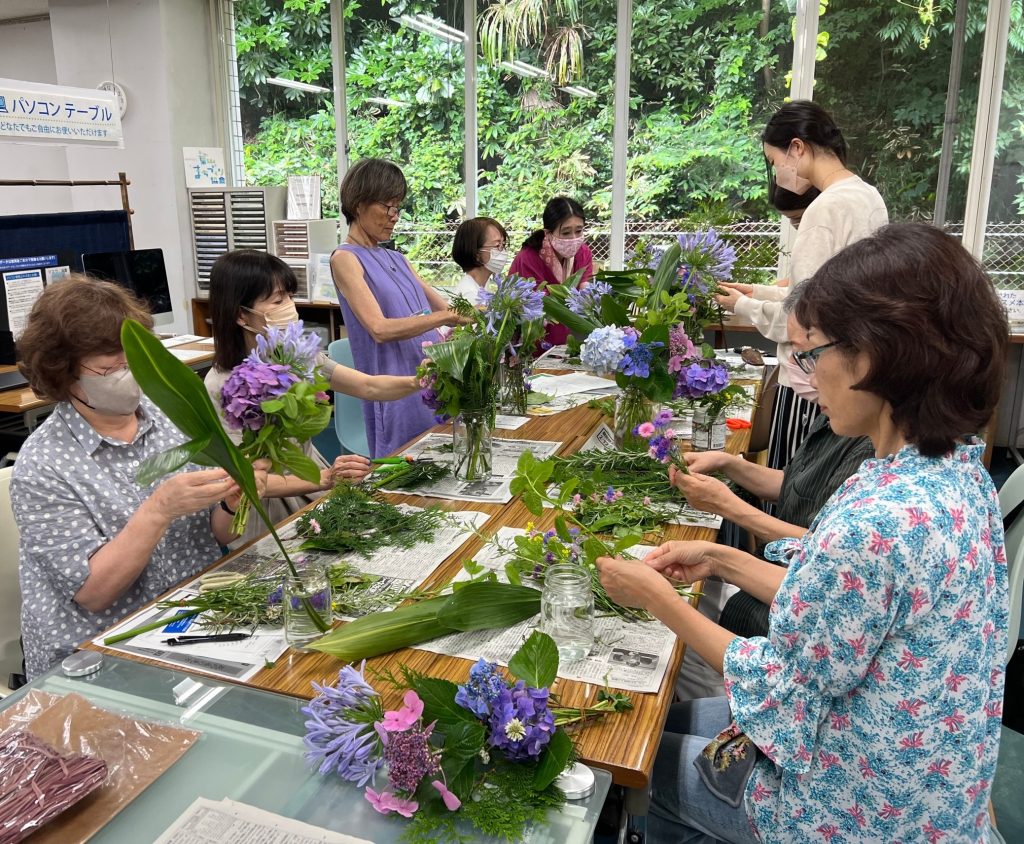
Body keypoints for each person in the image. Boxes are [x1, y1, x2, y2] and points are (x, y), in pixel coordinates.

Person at [596, 223, 1008, 843]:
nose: (809, 379)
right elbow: (839, 605)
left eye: (814, 354)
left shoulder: (876, 521)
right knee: (667, 722)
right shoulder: (951, 471)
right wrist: (720, 559)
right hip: (932, 782)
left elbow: (782, 685)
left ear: (871, 356)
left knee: (635, 758)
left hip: (854, 807)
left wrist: (655, 598)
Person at [11, 278, 268, 680]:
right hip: (99, 652)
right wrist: (159, 509)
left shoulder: (170, 416)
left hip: (190, 625)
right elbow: (95, 593)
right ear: (62, 372)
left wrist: (234, 498)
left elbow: (217, 535)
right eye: (109, 366)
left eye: (135, 359)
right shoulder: (44, 465)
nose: (128, 374)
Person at [715, 101, 888, 473]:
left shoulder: (824, 210)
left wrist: (741, 307)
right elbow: (826, 295)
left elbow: (802, 319)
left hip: (813, 383)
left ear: (796, 148)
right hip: (852, 377)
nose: (777, 173)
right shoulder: (867, 197)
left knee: (793, 487)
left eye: (773, 161)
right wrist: (756, 293)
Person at [206, 250, 421, 543]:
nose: (291, 308)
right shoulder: (223, 384)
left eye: (290, 297)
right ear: (241, 315)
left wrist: (419, 381)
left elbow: (368, 387)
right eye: (278, 300)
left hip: (315, 485)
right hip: (270, 509)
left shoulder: (297, 355)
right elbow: (245, 478)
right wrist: (324, 479)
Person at [330, 158, 468, 457]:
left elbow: (450, 309)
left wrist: (481, 315)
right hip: (395, 388)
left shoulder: (398, 259)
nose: (394, 216)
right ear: (357, 203)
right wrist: (447, 317)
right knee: (409, 474)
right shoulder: (345, 258)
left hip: (431, 380)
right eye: (387, 206)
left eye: (398, 207)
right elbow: (379, 329)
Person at [508, 196, 595, 346]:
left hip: (569, 339)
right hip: (535, 338)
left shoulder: (583, 253)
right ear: (548, 233)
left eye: (579, 231)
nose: (574, 238)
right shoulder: (529, 258)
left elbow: (585, 291)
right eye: (566, 233)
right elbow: (538, 304)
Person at [451, 216, 509, 303]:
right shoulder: (470, 295)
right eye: (497, 246)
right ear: (476, 253)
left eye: (503, 245)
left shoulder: (481, 287)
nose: (503, 251)